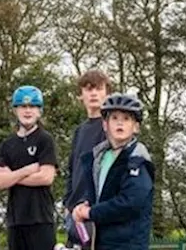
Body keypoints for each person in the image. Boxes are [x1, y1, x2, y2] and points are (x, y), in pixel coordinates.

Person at [70, 93, 156, 250]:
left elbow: (129, 203)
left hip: (127, 243)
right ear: (105, 124)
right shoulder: (98, 158)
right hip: (101, 242)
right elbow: (100, 195)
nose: (120, 123)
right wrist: (84, 205)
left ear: (136, 127)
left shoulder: (138, 160)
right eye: (114, 118)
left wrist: (90, 213)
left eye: (126, 118)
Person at [0, 85, 60, 250]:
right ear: (15, 110)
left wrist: (12, 177)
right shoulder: (7, 145)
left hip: (40, 219)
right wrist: (28, 170)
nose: (27, 111)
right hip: (16, 220)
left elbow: (46, 177)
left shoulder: (45, 139)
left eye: (32, 106)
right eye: (23, 106)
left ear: (39, 111)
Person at [64, 70, 113, 245]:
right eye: (88, 89)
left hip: (95, 210)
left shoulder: (111, 129)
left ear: (107, 93)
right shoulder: (79, 131)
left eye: (99, 89)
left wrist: (92, 203)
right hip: (74, 211)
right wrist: (68, 204)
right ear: (81, 95)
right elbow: (72, 170)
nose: (93, 93)